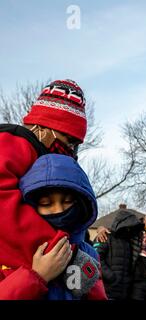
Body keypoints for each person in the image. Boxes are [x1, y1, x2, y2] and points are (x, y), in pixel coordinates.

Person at [0, 79, 91, 299]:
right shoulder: (13, 142)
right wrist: (60, 248)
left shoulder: (43, 160)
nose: (70, 150)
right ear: (44, 128)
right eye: (69, 140)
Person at [0, 154, 107, 299]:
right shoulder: (9, 253)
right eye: (46, 203)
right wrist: (36, 276)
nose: (59, 210)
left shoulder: (86, 255)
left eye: (67, 201)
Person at [96, 210, 146, 300]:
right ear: (144, 219)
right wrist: (100, 228)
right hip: (117, 286)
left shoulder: (132, 237)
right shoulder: (111, 236)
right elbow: (96, 257)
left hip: (127, 287)